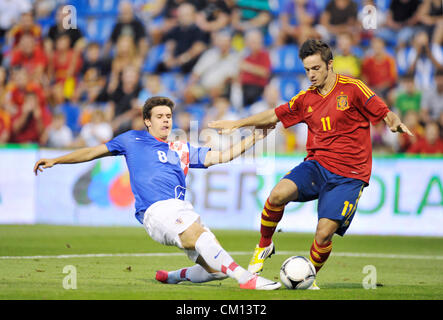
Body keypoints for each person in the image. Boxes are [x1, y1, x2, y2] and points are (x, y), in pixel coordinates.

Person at [209, 39, 412, 289]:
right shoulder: (306, 99)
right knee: (276, 196)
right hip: (316, 165)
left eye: (316, 68)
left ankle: (308, 275)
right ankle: (264, 245)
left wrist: (393, 122)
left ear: (330, 65)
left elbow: (383, 111)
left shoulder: (353, 88)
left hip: (350, 175)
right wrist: (237, 123)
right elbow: (274, 115)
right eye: (307, 70)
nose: (311, 75)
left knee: (324, 234)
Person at [33, 96, 281, 291]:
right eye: (160, 116)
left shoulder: (180, 148)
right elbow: (91, 152)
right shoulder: (131, 140)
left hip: (181, 208)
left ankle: (174, 276)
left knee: (215, 269)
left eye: (169, 116)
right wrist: (57, 160)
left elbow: (223, 156)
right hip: (156, 210)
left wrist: (256, 136)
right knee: (199, 236)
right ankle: (245, 278)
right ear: (147, 121)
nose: (166, 120)